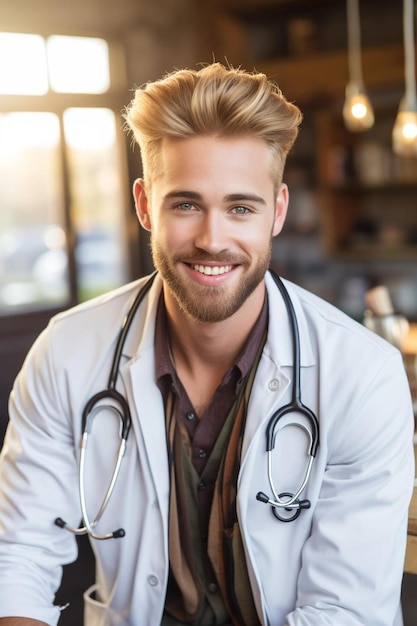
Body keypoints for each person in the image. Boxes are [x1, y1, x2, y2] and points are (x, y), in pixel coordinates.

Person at [0, 62, 414, 626]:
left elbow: (344, 612)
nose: (212, 240)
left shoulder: (363, 375)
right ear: (146, 205)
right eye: (186, 204)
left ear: (279, 212)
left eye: (240, 207)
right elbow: (20, 554)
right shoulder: (66, 353)